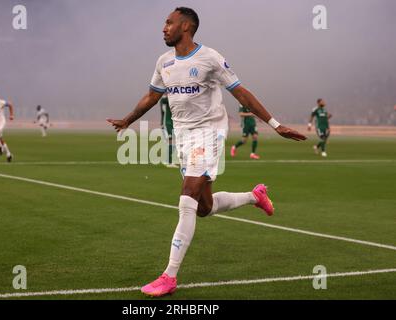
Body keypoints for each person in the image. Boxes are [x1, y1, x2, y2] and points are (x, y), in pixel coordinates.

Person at [107, 7, 306, 297]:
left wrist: (275, 124)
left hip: (210, 133)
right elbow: (152, 95)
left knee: (186, 199)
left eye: (169, 22)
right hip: (185, 137)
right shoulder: (164, 61)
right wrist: (128, 120)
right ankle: (255, 196)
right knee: (204, 207)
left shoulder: (210, 58)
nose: (163, 28)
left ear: (185, 26)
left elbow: (241, 92)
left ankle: (169, 276)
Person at [159, 95, 177, 167]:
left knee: (171, 141)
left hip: (171, 123)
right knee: (170, 141)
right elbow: (163, 101)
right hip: (167, 123)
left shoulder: (169, 100)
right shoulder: (165, 100)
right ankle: (169, 162)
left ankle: (167, 160)